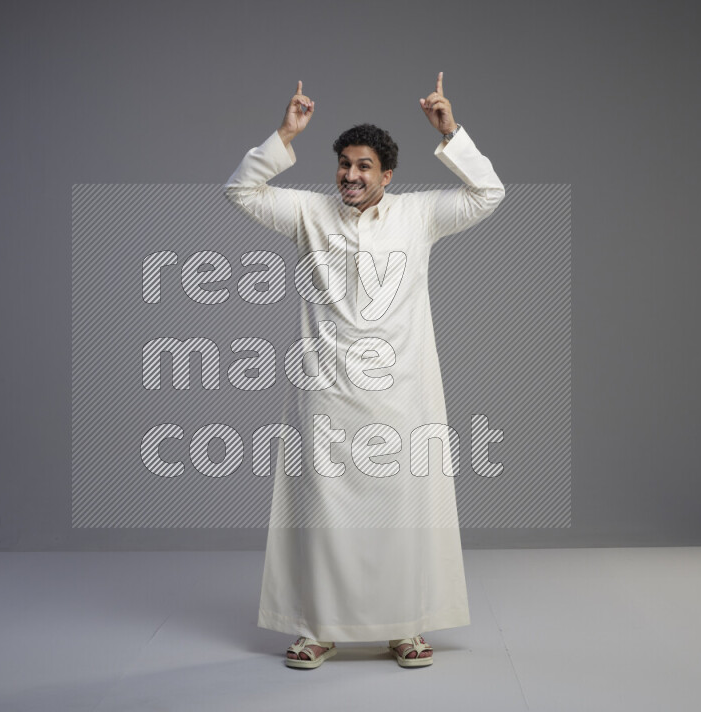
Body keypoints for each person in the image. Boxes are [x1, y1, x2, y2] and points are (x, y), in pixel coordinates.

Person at [224, 73, 505, 668]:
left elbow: (488, 194)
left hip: (402, 395)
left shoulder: (419, 216)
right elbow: (241, 192)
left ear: (387, 175)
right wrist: (285, 135)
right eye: (344, 165)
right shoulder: (308, 213)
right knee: (323, 515)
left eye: (364, 166)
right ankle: (316, 628)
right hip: (324, 395)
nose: (350, 176)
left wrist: (450, 132)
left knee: (402, 515)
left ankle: (405, 627)